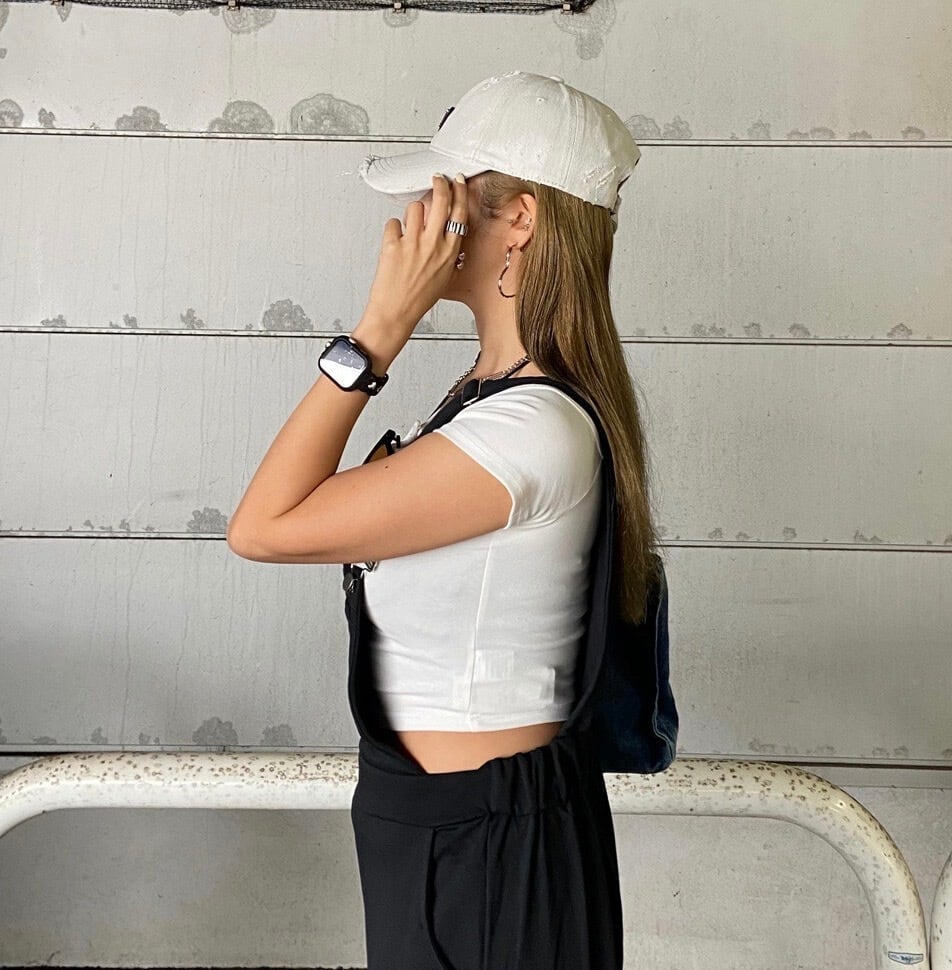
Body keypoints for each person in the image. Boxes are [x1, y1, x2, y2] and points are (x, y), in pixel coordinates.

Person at [227, 70, 660, 970]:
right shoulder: (488, 398)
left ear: (521, 220)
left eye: (444, 194)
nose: (419, 216)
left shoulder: (529, 427)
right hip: (446, 825)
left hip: (488, 844)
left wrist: (377, 332)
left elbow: (263, 527)